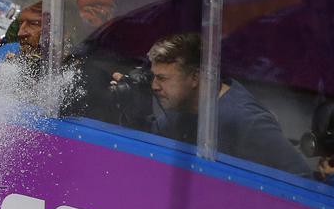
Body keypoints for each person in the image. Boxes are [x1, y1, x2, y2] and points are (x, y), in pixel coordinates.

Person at [113, 33, 312, 177]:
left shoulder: (246, 121)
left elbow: (301, 181)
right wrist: (134, 110)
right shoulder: (182, 108)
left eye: (162, 78)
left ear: (195, 77)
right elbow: (152, 145)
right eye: (154, 77)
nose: (154, 86)